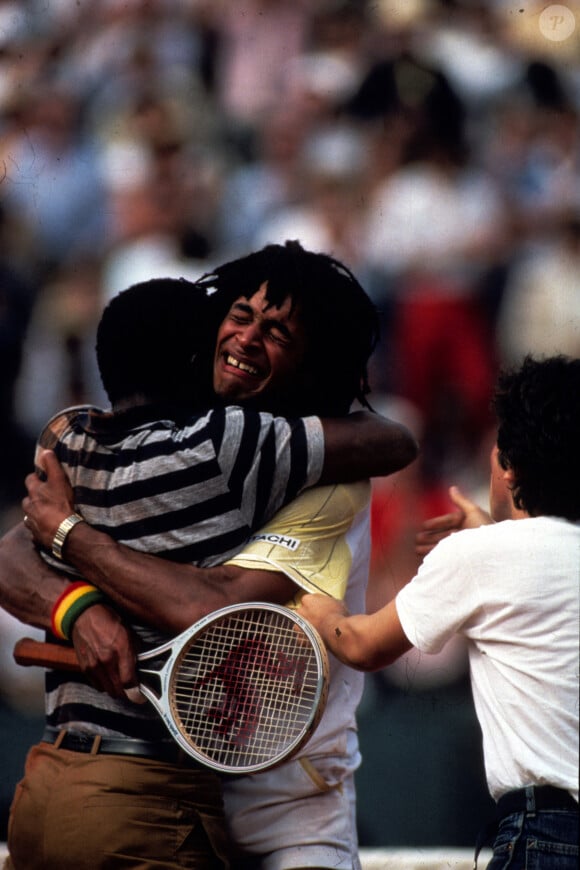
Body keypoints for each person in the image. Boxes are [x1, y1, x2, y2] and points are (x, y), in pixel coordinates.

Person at [1, 242, 418, 869]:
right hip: (169, 791)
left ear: (313, 363)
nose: (247, 338)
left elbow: (216, 606)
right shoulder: (193, 437)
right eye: (241, 315)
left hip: (290, 809)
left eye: (276, 331)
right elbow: (10, 555)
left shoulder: (325, 476)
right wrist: (77, 609)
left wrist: (73, 538)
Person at [297, 355, 579, 869]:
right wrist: (488, 541)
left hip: (543, 833)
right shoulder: (499, 552)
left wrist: (316, 605)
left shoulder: (479, 556)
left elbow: (359, 643)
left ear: (508, 464)